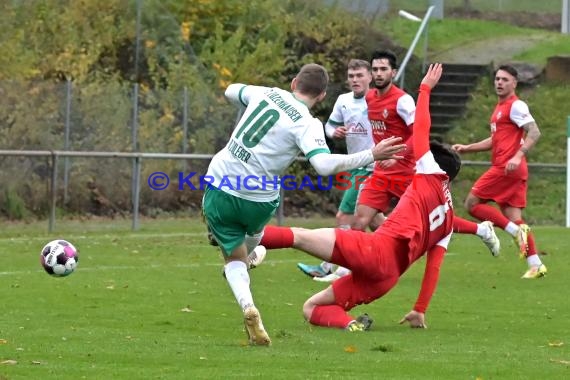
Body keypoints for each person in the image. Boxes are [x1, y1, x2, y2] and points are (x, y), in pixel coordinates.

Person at [202, 63, 406, 345]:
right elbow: (322, 165)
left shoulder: (267, 93)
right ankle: (251, 252)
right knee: (246, 245)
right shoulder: (308, 124)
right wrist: (370, 154)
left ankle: (248, 303)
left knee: (233, 257)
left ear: (294, 81)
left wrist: (252, 96)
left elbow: (231, 90)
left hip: (222, 182)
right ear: (321, 96)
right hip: (260, 200)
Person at [256, 63, 458, 331]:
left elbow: (421, 128)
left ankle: (237, 235)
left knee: (300, 236)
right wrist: (419, 309)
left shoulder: (429, 171)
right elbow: (433, 269)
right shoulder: (450, 217)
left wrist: (425, 89)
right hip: (387, 278)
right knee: (311, 308)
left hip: (375, 252)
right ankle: (351, 325)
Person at [451, 64, 546, 279]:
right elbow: (495, 139)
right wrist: (468, 148)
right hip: (513, 169)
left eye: (504, 79)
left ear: (514, 83)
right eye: (497, 79)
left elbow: (534, 131)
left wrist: (518, 155)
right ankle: (536, 264)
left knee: (472, 204)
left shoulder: (516, 105)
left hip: (507, 168)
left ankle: (513, 232)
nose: (499, 83)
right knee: (514, 217)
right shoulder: (500, 108)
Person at [296, 59, 383, 280]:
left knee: (345, 215)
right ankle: (406, 246)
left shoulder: (378, 100)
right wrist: (335, 132)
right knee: (374, 221)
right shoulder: (344, 101)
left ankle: (340, 269)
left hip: (372, 167)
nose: (355, 80)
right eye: (351, 76)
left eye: (360, 75)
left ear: (370, 77)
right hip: (355, 165)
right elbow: (330, 126)